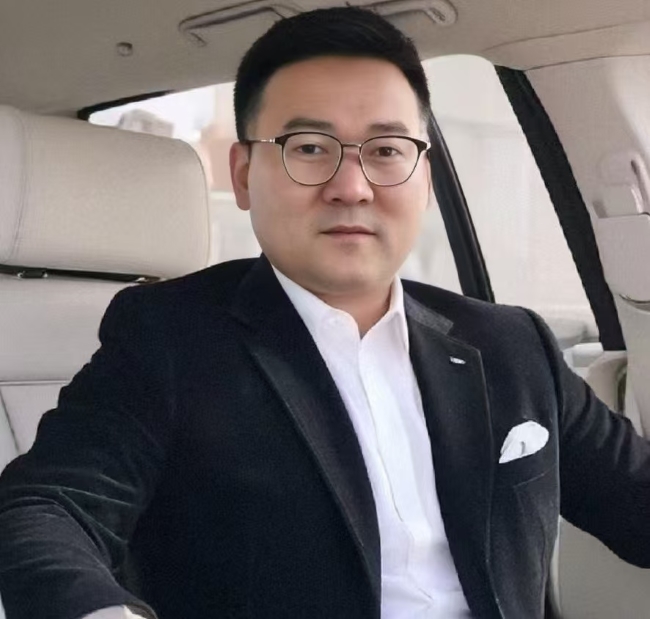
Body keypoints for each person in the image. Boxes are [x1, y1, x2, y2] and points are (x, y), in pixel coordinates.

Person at [1, 7, 649, 619]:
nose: (351, 186)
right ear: (245, 174)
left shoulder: (512, 343)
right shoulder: (169, 337)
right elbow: (47, 507)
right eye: (309, 147)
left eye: (386, 149)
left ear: (424, 178)